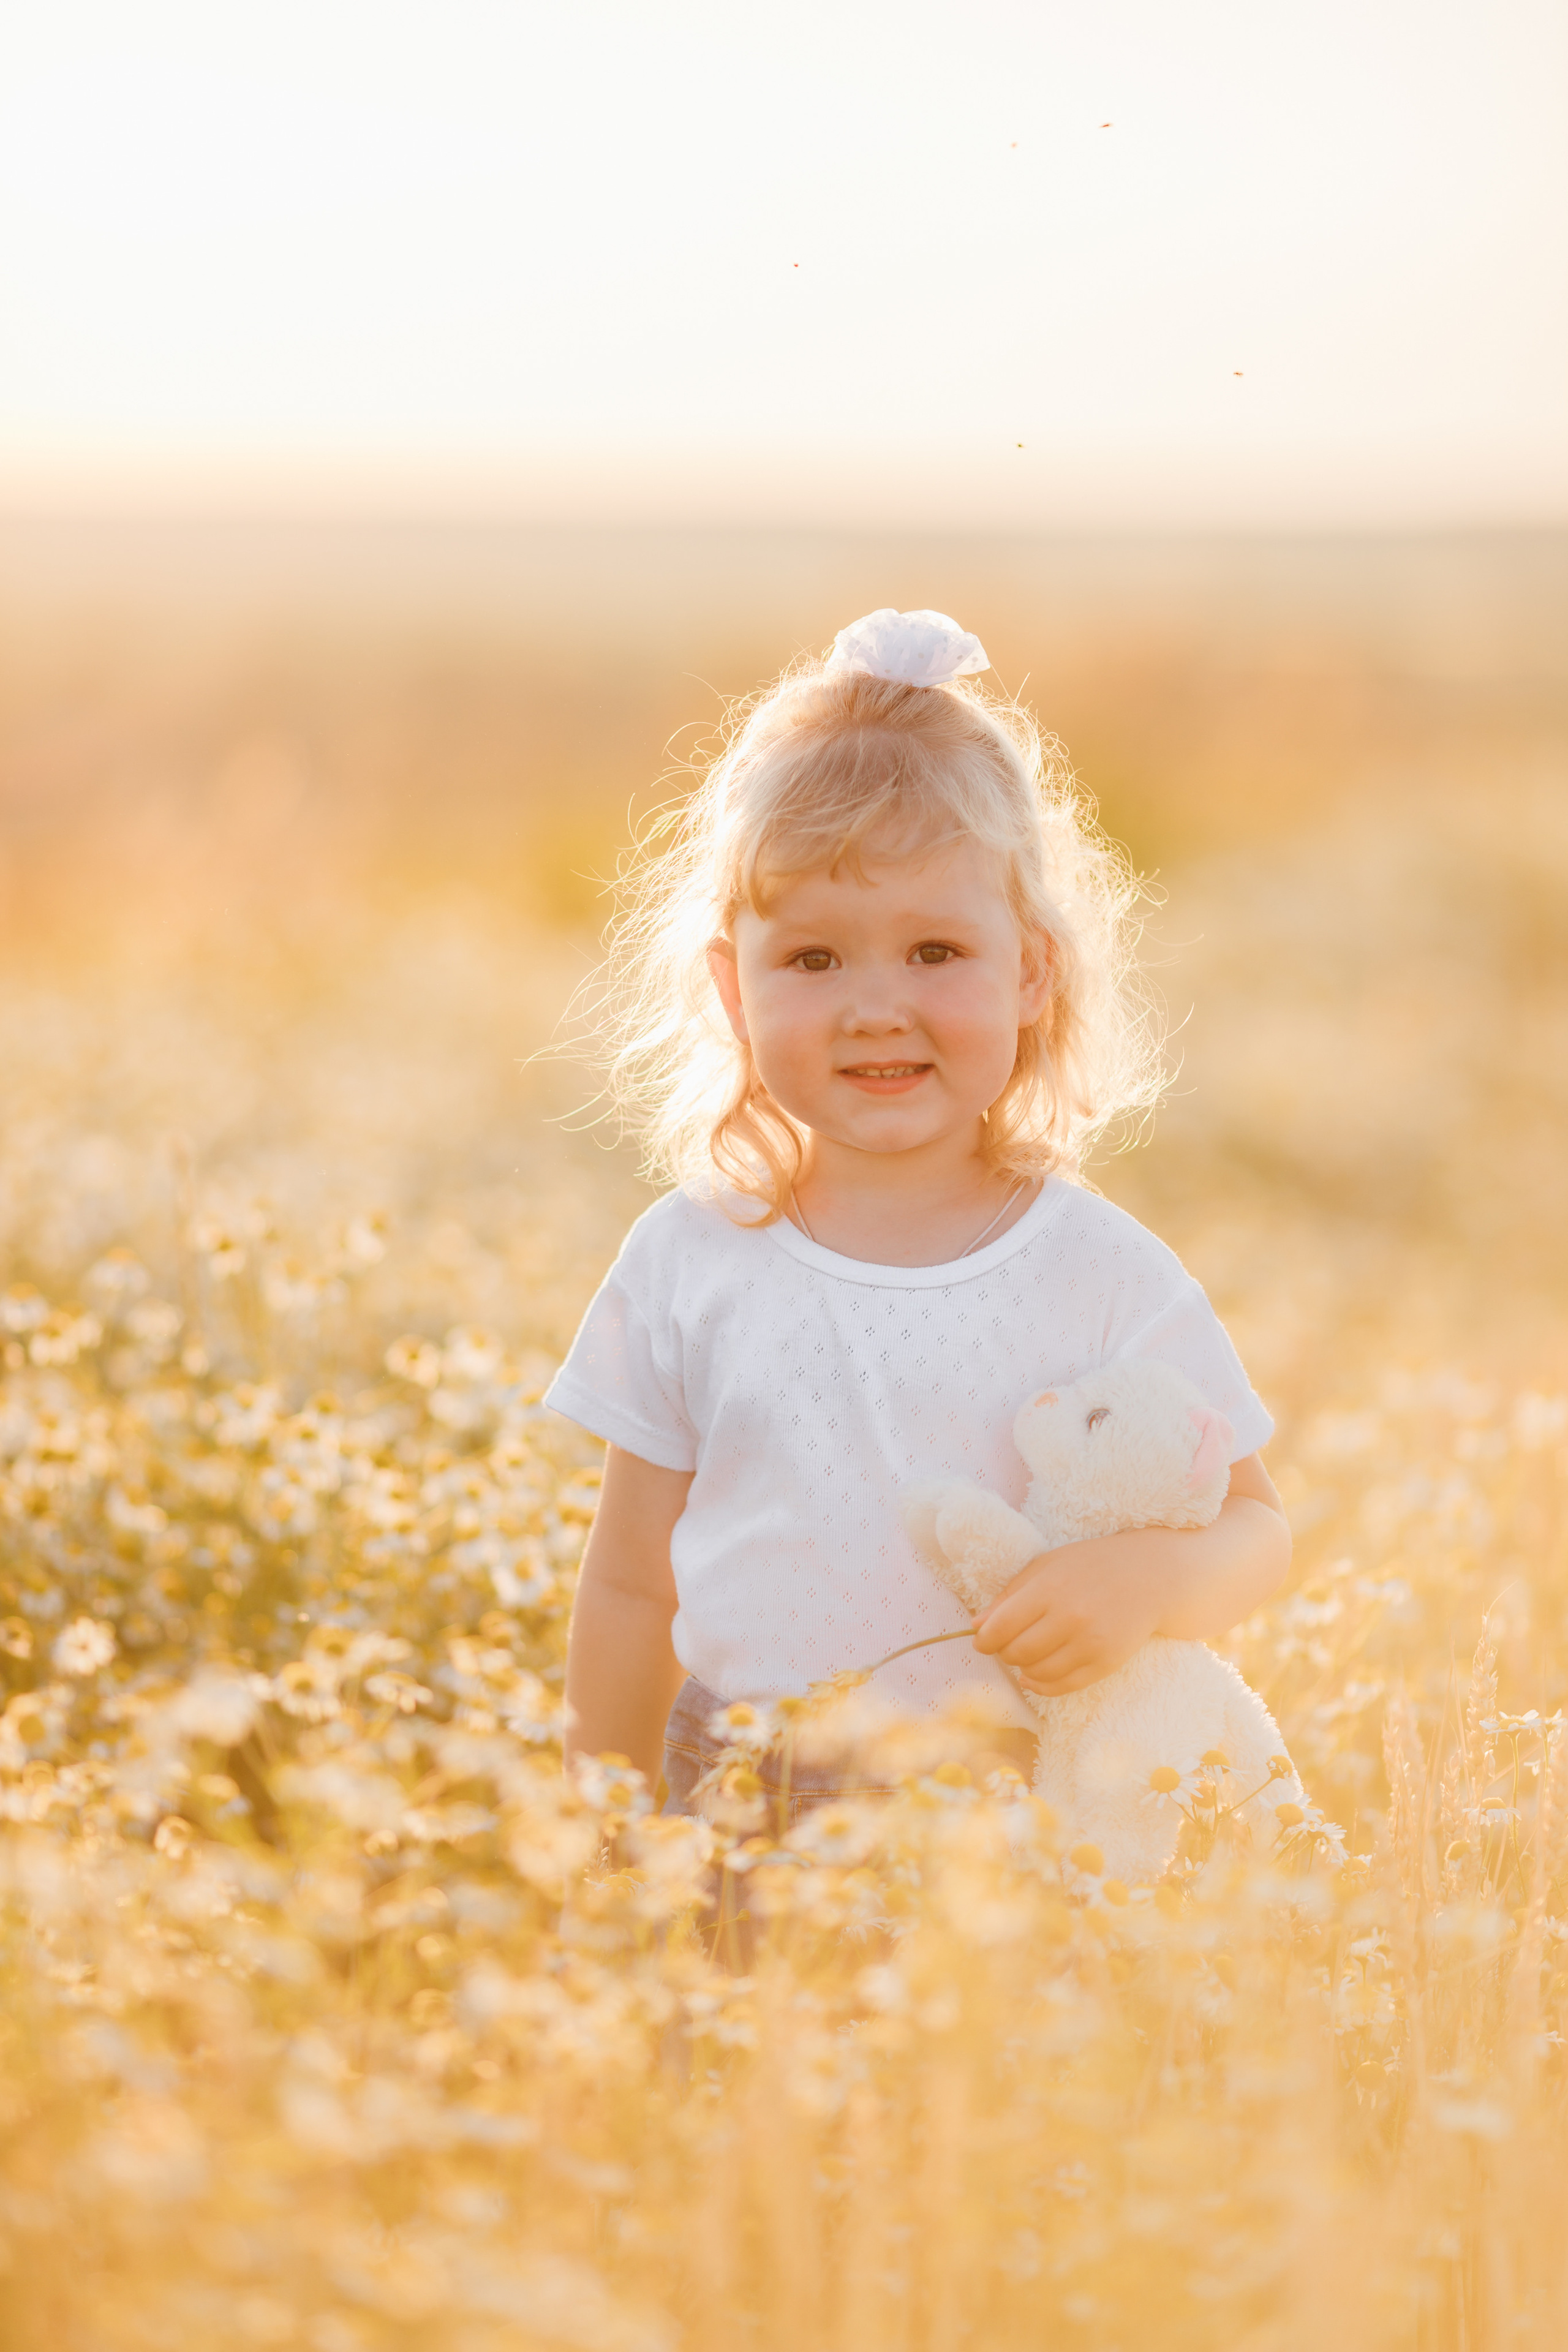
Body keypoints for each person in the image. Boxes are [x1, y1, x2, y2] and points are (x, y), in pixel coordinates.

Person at [547, 608, 1290, 1819]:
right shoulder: (690, 1257)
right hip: (740, 1801)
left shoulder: (1098, 1270)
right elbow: (631, 1587)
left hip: (1012, 1812)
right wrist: (600, 1846)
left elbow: (1255, 1532)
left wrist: (1148, 1576)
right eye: (815, 961)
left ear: (1031, 972)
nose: (876, 1007)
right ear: (734, 989)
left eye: (935, 951)